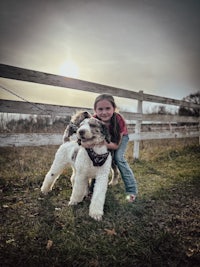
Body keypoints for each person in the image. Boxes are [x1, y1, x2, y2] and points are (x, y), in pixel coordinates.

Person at [84, 93, 138, 202]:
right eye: (100, 109)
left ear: (114, 108)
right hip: (102, 140)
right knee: (97, 159)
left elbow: (116, 145)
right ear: (95, 110)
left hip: (120, 139)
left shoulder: (118, 119)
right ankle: (92, 190)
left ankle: (131, 191)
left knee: (118, 158)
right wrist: (89, 144)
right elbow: (86, 140)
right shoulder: (93, 121)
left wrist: (102, 143)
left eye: (108, 108)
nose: (104, 112)